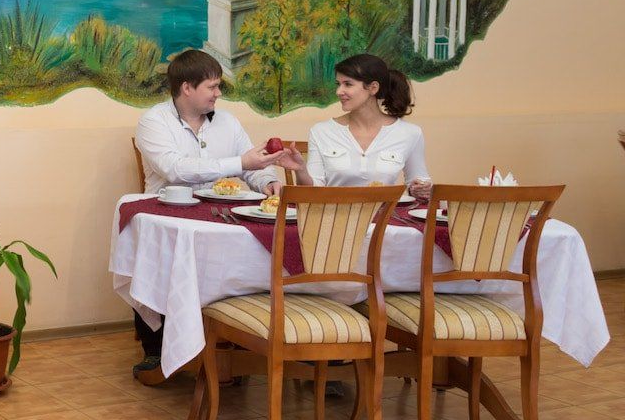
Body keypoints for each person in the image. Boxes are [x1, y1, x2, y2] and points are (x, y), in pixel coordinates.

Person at [130, 49, 292, 377]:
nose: (219, 93)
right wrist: (240, 163)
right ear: (187, 88)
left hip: (223, 217)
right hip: (170, 215)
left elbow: (253, 166)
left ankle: (235, 338)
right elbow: (175, 169)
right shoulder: (154, 121)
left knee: (257, 251)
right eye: (213, 86)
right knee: (163, 258)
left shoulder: (228, 122)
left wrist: (268, 181)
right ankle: (156, 348)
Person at [283, 53, 432, 198]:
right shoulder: (321, 131)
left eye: (348, 84)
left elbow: (419, 183)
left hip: (386, 215)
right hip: (334, 214)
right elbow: (311, 192)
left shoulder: (410, 133)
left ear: (373, 88)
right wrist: (301, 170)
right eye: (338, 84)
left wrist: (420, 189)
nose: (339, 91)